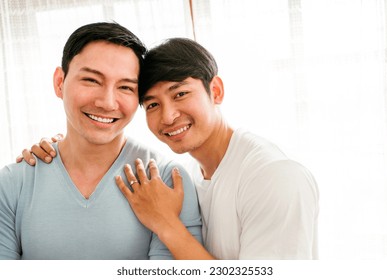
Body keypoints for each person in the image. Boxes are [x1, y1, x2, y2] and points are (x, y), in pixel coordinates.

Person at [18, 38, 319, 260]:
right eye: (152, 104)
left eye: (181, 94)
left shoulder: (274, 177)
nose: (168, 116)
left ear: (215, 91)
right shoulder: (188, 172)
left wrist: (165, 223)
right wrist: (66, 150)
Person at [0, 24, 202, 260]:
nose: (107, 103)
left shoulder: (168, 181)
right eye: (92, 80)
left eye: (125, 87)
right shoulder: (13, 183)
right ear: (59, 82)